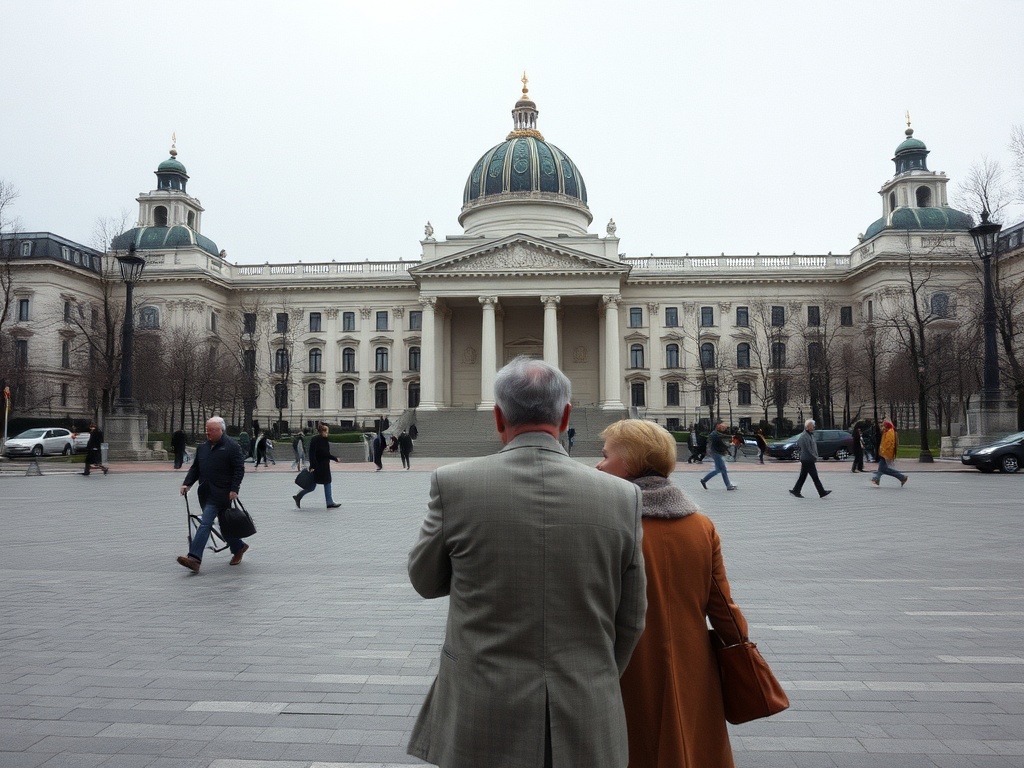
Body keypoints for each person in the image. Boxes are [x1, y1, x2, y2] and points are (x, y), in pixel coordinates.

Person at [406, 357, 647, 768]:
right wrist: (594, 675)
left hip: (480, 710)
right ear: (566, 414)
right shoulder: (622, 497)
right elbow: (632, 618)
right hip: (586, 707)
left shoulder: (454, 484)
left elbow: (426, 581)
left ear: (498, 416)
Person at [598, 419, 746, 768]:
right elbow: (724, 608)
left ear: (631, 463)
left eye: (605, 456)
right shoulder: (700, 526)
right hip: (693, 665)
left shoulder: (607, 525)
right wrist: (740, 649)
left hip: (624, 666)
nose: (598, 465)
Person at [176, 416, 247, 572]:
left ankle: (194, 559)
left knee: (205, 523)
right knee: (225, 524)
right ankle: (239, 547)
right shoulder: (203, 448)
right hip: (206, 492)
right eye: (207, 430)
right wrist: (187, 484)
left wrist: (234, 489)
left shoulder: (232, 446)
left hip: (223, 493)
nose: (207, 433)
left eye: (211, 430)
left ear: (221, 430)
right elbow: (195, 468)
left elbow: (239, 469)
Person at [294, 423, 341, 508]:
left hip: (324, 465)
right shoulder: (315, 439)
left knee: (322, 483)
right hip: (318, 466)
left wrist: (334, 458)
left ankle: (299, 496)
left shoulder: (325, 439)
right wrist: (312, 466)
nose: (327, 433)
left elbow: (326, 453)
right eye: (326, 431)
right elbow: (312, 453)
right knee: (317, 485)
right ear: (322, 431)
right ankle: (299, 496)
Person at [789, 419, 832, 498]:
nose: (814, 427)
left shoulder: (810, 434)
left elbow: (813, 447)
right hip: (807, 459)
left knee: (803, 476)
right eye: (812, 426)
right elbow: (808, 448)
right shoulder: (804, 436)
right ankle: (821, 492)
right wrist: (815, 456)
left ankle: (796, 490)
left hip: (808, 459)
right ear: (808, 426)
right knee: (815, 477)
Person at [700, 421, 737, 491]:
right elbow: (720, 444)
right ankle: (728, 486)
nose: (724, 428)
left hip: (716, 453)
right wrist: (727, 448)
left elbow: (722, 438)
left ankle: (704, 480)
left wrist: (731, 437)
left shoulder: (715, 433)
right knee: (722, 470)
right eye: (722, 426)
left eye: (724, 427)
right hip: (716, 453)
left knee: (719, 470)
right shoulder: (715, 434)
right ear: (717, 426)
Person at [871, 419, 908, 488]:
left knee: (882, 469)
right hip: (883, 452)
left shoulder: (890, 432)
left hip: (885, 453)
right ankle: (901, 477)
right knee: (883, 469)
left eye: (884, 425)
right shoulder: (887, 431)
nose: (882, 427)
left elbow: (889, 444)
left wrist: (883, 451)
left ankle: (902, 477)